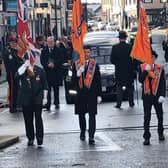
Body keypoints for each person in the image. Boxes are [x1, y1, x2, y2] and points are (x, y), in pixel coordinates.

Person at [71, 45, 102, 145]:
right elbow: (72, 82)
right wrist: (78, 74)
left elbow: (98, 81)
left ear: (90, 53)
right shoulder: (76, 64)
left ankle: (92, 135)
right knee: (81, 115)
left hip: (92, 93)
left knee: (92, 115)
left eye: (88, 52)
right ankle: (83, 132)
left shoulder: (94, 65)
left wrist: (99, 95)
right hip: (81, 94)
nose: (86, 54)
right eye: (85, 52)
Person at [16, 60, 48, 146]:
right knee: (28, 119)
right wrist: (24, 66)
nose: (30, 61)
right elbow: (16, 76)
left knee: (38, 118)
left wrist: (45, 97)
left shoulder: (40, 70)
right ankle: (30, 138)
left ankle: (40, 138)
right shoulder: (23, 70)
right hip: (26, 98)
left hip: (37, 97)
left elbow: (45, 84)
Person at [138, 50, 166, 145]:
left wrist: (162, 95)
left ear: (154, 58)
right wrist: (146, 71)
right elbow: (140, 80)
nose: (150, 59)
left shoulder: (159, 68)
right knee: (147, 117)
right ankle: (146, 137)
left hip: (157, 96)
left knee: (160, 115)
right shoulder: (142, 67)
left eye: (152, 57)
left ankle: (160, 132)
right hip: (147, 96)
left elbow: (162, 83)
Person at [110, 30, 135, 109]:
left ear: (119, 38)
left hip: (119, 70)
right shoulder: (130, 47)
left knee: (119, 88)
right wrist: (134, 68)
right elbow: (134, 59)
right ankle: (131, 102)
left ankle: (119, 103)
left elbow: (112, 60)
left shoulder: (115, 47)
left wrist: (117, 64)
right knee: (130, 87)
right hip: (129, 70)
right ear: (125, 38)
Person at [40, 36, 63, 110]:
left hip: (56, 72)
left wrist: (54, 64)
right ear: (47, 42)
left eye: (51, 42)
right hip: (48, 72)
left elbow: (61, 59)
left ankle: (56, 102)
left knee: (56, 88)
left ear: (54, 42)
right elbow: (42, 61)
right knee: (48, 89)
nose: (50, 43)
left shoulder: (58, 50)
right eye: (48, 42)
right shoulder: (44, 51)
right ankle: (48, 103)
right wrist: (47, 65)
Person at [3, 35, 23, 113]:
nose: (14, 44)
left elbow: (19, 60)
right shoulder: (9, 52)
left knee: (16, 89)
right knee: (12, 90)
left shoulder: (15, 51)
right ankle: (12, 106)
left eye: (15, 42)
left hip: (16, 73)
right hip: (11, 74)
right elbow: (11, 65)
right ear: (10, 43)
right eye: (12, 42)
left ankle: (15, 105)